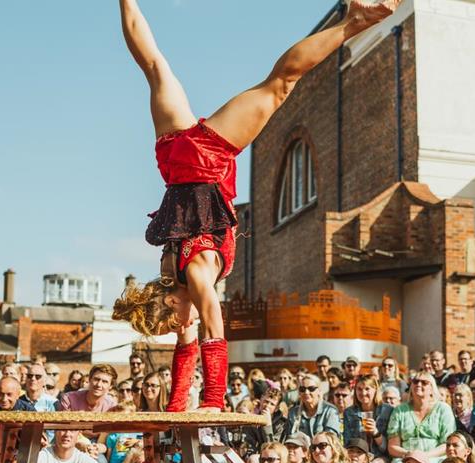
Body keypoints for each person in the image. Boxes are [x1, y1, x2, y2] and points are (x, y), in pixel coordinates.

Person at [111, 0, 400, 413]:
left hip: (204, 160)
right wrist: (175, 408)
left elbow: (213, 328)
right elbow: (186, 346)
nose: (183, 328)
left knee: (281, 84)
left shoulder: (193, 278)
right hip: (175, 161)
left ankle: (355, 19)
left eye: (177, 323)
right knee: (154, 66)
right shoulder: (174, 285)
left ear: (171, 303)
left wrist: (212, 400)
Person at [387, 371, 456, 463]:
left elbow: (447, 444)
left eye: (424, 382)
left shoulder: (443, 409)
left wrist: (424, 456)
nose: (419, 384)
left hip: (434, 457)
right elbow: (392, 447)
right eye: (415, 381)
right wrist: (410, 455)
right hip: (406, 457)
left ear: (432, 389)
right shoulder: (399, 410)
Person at [283, 374, 341, 440]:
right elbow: (289, 438)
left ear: (319, 391)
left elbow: (332, 439)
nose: (306, 392)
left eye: (311, 389)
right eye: (302, 389)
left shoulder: (330, 411)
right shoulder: (293, 413)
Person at [343, 374, 384, 455]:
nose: (363, 393)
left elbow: (387, 448)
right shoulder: (349, 412)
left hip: (381, 456)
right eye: (359, 389)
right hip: (357, 455)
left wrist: (375, 432)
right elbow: (347, 442)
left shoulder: (386, 411)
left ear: (375, 389)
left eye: (367, 389)